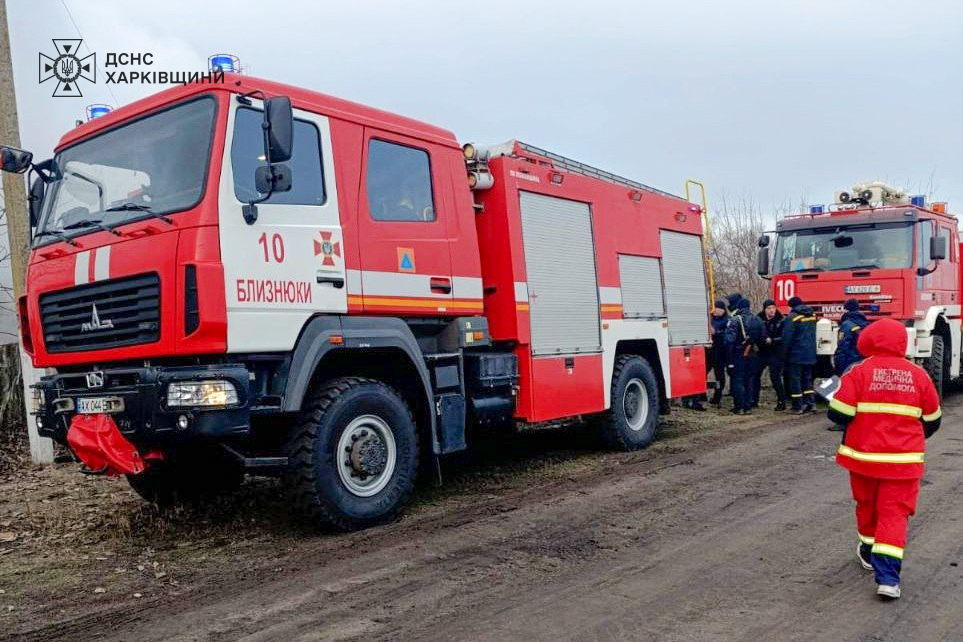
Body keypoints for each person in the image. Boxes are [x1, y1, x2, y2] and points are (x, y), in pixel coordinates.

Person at [827, 317, 941, 600]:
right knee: (894, 515)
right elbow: (933, 420)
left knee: (867, 506)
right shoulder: (919, 375)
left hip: (863, 459)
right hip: (903, 463)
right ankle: (888, 579)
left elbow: (838, 414)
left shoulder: (858, 371)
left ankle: (867, 550)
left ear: (868, 340)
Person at [725, 295, 764, 415]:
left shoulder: (735, 320)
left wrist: (729, 359)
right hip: (753, 355)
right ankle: (748, 406)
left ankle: (739, 407)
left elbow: (729, 341)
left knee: (738, 380)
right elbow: (762, 338)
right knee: (749, 381)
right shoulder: (757, 319)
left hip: (738, 354)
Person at [783, 295, 817, 414]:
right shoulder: (812, 316)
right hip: (810, 354)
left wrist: (784, 354)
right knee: (807, 379)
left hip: (796, 354)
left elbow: (787, 338)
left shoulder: (792, 317)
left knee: (795, 379)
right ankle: (810, 404)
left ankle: (798, 406)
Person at [754, 299, 787, 411]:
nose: (772, 310)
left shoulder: (781, 320)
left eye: (773, 308)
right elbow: (754, 332)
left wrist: (772, 340)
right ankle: (754, 400)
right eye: (769, 308)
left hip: (776, 352)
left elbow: (784, 337)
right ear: (764, 309)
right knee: (755, 375)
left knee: (775, 377)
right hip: (762, 352)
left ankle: (781, 401)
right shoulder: (758, 319)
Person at [835, 299, 869, 375]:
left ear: (847, 309)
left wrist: (838, 363)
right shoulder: (866, 323)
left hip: (849, 362)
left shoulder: (846, 324)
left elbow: (843, 347)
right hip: (862, 361)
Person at [708, 300, 730, 407]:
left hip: (720, 352)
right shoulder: (710, 318)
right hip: (709, 351)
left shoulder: (727, 321)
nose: (716, 310)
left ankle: (717, 396)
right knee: (703, 372)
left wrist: (715, 332)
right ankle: (701, 395)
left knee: (720, 375)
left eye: (718, 308)